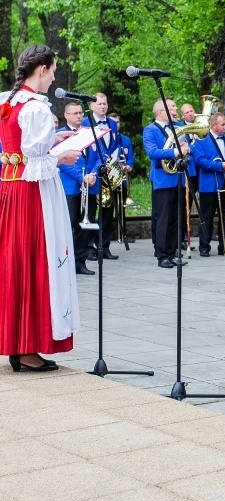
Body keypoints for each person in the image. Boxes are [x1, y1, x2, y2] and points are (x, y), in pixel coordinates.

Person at [0, 44, 82, 371]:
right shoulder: (35, 106)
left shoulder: (6, 100)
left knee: (14, 261)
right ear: (42, 69)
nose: (54, 78)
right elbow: (35, 160)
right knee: (34, 262)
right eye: (53, 70)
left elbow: (15, 150)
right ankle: (27, 347)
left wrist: (52, 149)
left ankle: (17, 343)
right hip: (31, 195)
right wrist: (61, 155)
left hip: (9, 188)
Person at [143, 99, 190, 268]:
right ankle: (162, 254)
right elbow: (152, 152)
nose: (176, 110)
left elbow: (186, 148)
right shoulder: (150, 130)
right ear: (161, 112)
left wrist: (186, 150)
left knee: (176, 219)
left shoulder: (178, 128)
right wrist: (177, 151)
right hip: (162, 178)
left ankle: (172, 252)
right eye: (172, 108)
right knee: (163, 218)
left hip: (177, 176)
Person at [58, 101, 98, 275]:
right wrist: (81, 177)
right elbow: (62, 162)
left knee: (84, 226)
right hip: (71, 188)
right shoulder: (60, 135)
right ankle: (65, 262)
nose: (79, 116)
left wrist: (93, 174)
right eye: (75, 113)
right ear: (66, 115)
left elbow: (99, 156)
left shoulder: (89, 133)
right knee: (70, 225)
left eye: (81, 113)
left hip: (88, 186)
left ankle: (80, 262)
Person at [193, 112, 225, 258]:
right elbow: (200, 160)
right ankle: (204, 246)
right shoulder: (202, 141)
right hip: (209, 185)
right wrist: (220, 166)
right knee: (206, 217)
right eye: (223, 124)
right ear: (214, 125)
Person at [83, 93, 119, 261]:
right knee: (90, 211)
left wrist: (114, 158)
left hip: (109, 172)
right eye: (99, 104)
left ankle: (104, 246)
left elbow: (115, 143)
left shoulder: (112, 123)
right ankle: (89, 247)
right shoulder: (85, 122)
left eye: (105, 104)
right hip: (93, 172)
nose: (103, 106)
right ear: (92, 106)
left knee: (107, 210)